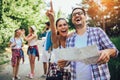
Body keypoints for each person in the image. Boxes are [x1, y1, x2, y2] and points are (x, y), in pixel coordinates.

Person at [58, 7, 118, 80]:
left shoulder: (97, 32)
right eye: (74, 15)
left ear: (85, 17)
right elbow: (69, 61)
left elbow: (114, 51)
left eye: (80, 13)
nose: (77, 15)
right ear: (72, 20)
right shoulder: (69, 40)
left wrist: (107, 52)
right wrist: (64, 63)